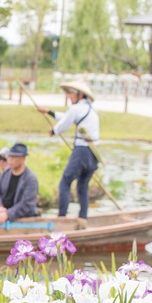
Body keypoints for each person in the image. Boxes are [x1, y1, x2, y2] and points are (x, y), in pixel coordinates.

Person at [37, 81, 100, 224]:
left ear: (80, 95)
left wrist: (54, 131)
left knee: (65, 182)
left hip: (82, 151)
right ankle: (83, 217)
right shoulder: (90, 109)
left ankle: (62, 217)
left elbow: (64, 123)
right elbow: (67, 117)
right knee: (82, 186)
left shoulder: (77, 109)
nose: (70, 96)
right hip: (94, 154)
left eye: (72, 93)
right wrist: (49, 112)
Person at [0, 143, 39, 225]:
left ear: (23, 159)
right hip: (2, 215)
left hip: (22, 219)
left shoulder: (30, 179)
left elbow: (26, 204)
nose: (10, 160)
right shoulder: (5, 173)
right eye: (9, 156)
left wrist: (7, 214)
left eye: (14, 157)